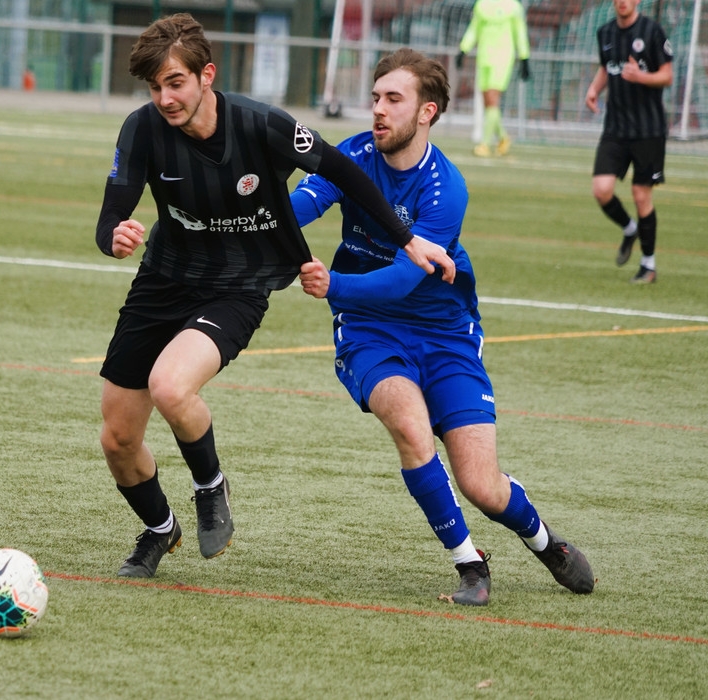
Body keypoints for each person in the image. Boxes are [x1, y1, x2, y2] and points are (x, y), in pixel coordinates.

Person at [95, 13, 455, 579]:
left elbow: (344, 171)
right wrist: (114, 237)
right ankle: (160, 529)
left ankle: (210, 486)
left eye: (176, 83)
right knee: (118, 438)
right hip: (162, 280)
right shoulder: (141, 130)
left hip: (239, 285)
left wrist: (406, 239)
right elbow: (111, 214)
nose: (165, 98)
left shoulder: (261, 124)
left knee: (170, 386)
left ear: (206, 75)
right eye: (156, 87)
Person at [292, 48, 594, 606]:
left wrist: (332, 284)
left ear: (426, 112)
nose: (378, 109)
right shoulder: (352, 155)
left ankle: (544, 542)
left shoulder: (445, 189)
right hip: (369, 329)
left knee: (482, 485)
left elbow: (402, 281)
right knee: (410, 427)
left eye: (394, 99)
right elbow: (299, 208)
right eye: (376, 97)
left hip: (445, 333)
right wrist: (249, 208)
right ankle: (469, 565)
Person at [585, 0, 673, 285]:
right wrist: (594, 89)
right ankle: (629, 228)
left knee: (641, 194)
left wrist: (641, 76)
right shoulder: (605, 32)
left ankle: (648, 265)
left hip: (648, 129)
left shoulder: (652, 31)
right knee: (601, 190)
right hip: (615, 128)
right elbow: (606, 68)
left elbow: (667, 76)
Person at [456, 0, 530, 157]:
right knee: (488, 103)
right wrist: (464, 49)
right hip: (484, 58)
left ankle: (485, 144)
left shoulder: (513, 7)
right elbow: (474, 29)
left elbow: (520, 32)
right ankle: (503, 137)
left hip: (503, 58)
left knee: (492, 98)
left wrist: (524, 57)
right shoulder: (482, 5)